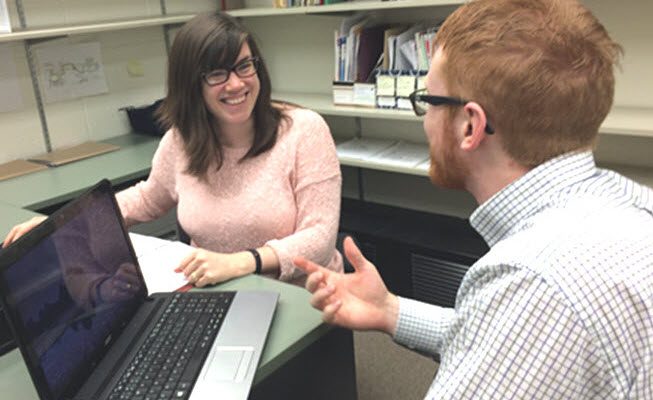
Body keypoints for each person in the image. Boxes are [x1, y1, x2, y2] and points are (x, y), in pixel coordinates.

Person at [294, 0, 653, 398]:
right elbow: (507, 341)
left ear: (470, 125)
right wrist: (390, 310)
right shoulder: (628, 202)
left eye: (428, 101)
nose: (426, 120)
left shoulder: (533, 280)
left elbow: (528, 324)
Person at [3, 12, 343, 287]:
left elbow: (320, 238)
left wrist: (240, 262)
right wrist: (60, 224)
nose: (236, 83)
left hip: (302, 292)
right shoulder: (182, 140)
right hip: (215, 289)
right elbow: (147, 199)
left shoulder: (304, 130)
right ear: (191, 84)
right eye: (216, 74)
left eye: (244, 65)